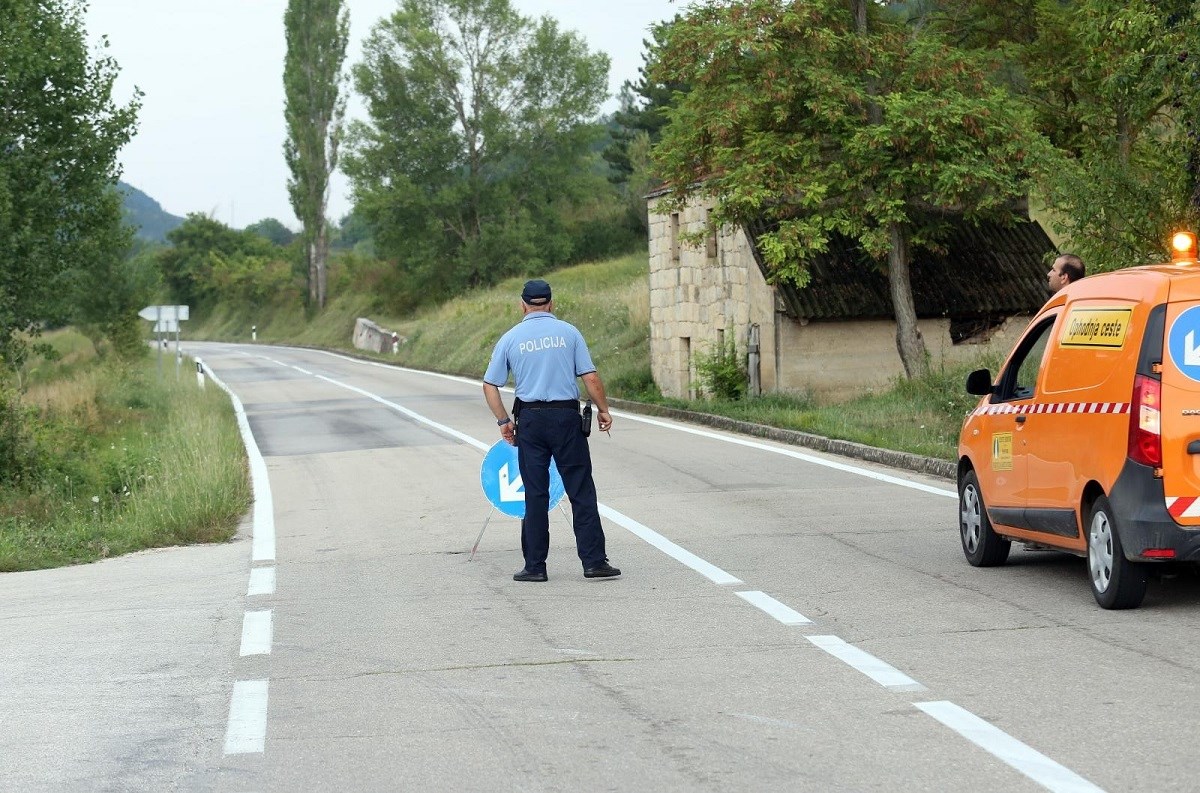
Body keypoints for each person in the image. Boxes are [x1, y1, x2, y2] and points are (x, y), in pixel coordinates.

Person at [482, 279, 621, 582]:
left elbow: (489, 384)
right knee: (580, 490)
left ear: (523, 305)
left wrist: (504, 421)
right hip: (565, 418)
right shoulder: (569, 333)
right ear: (551, 303)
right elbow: (590, 376)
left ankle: (535, 567)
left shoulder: (510, 338)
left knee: (535, 493)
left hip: (530, 421)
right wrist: (603, 410)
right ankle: (594, 562)